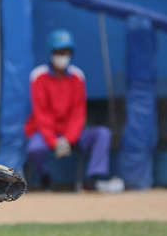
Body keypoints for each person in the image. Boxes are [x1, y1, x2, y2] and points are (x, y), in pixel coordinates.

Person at [24, 29, 123, 192]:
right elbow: (42, 113)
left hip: (72, 134)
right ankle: (45, 177)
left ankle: (91, 180)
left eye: (66, 52)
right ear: (51, 52)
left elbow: (78, 113)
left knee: (102, 134)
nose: (62, 56)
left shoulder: (78, 76)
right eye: (59, 52)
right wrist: (53, 141)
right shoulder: (38, 76)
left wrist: (68, 139)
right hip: (45, 132)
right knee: (35, 148)